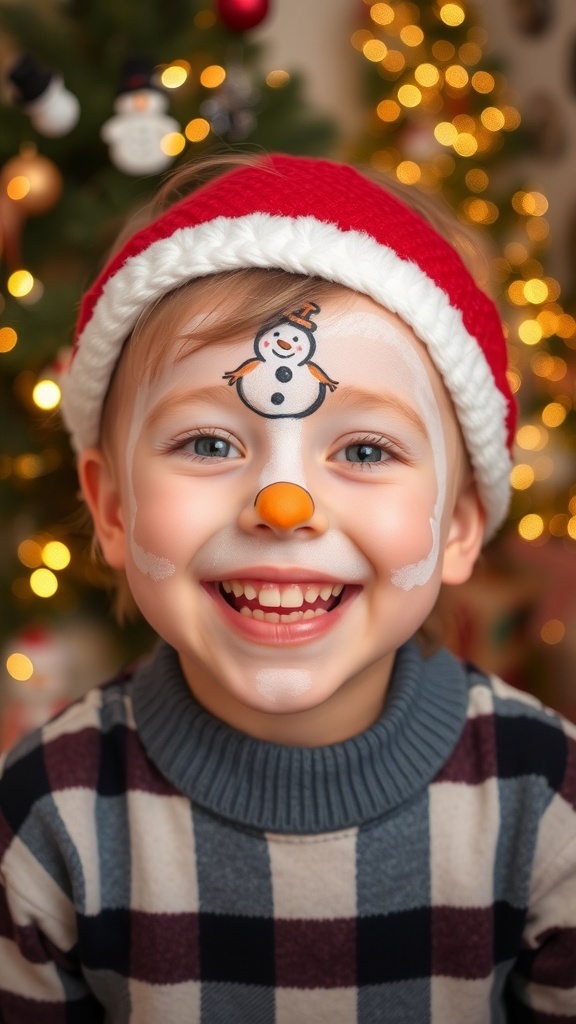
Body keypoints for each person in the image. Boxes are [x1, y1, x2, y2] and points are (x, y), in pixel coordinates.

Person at [1, 153, 575, 1023]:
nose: (284, 505)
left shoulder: (550, 803)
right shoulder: (45, 813)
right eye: (207, 444)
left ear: (459, 525)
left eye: (366, 451)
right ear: (111, 508)